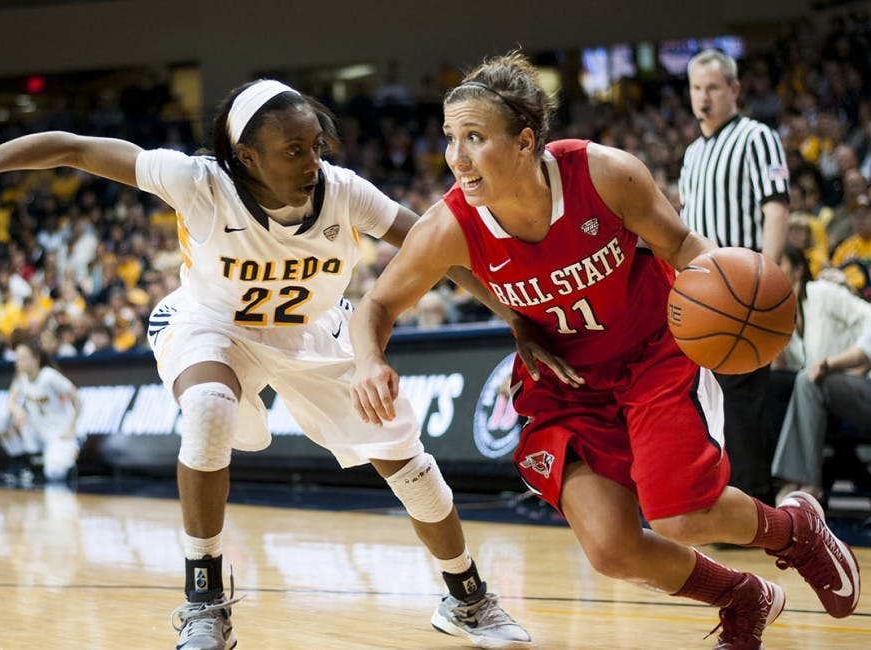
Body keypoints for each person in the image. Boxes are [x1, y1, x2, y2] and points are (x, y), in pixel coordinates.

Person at [0, 79, 530, 650]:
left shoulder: (343, 191)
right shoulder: (197, 182)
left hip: (313, 332)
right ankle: (204, 599)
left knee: (409, 465)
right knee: (207, 408)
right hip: (211, 323)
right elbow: (74, 147)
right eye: (293, 152)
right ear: (246, 158)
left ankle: (467, 596)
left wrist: (521, 319)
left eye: (315, 146)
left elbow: (440, 252)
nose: (313, 162)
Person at [347, 52, 861, 650]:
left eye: (473, 138)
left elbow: (685, 248)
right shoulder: (450, 227)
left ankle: (797, 530)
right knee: (612, 550)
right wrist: (370, 360)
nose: (455, 158)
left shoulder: (605, 174)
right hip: (566, 382)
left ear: (525, 140)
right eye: (449, 138)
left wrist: (736, 313)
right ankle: (741, 596)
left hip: (652, 355)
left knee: (679, 515)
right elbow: (375, 308)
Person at [678, 49, 791, 504]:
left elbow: (776, 208)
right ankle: (718, 499)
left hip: (744, 289)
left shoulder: (756, 137)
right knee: (707, 401)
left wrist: (767, 279)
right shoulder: (691, 154)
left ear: (735, 90)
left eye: (712, 88)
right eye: (696, 88)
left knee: (741, 401)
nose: (703, 98)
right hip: (703, 291)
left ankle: (753, 501)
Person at [771, 246, 871, 501]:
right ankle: (794, 482)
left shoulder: (822, 293)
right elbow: (792, 367)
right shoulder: (783, 315)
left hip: (862, 381)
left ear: (798, 271)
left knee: (808, 381)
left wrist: (840, 362)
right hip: (830, 392)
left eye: (778, 264)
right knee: (781, 383)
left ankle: (804, 483)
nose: (772, 270)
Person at [0, 338, 83, 485]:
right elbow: (10, 402)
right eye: (17, 359)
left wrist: (72, 428)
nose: (18, 362)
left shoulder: (48, 376)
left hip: (59, 433)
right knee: (1, 419)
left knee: (54, 472)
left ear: (35, 359)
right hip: (37, 432)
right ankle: (20, 460)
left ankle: (69, 455)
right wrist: (17, 410)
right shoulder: (21, 378)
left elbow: (77, 399)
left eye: (22, 358)